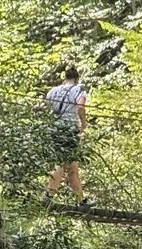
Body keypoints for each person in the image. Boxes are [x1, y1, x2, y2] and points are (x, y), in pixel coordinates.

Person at [43, 65, 93, 207]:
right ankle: (49, 195)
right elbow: (81, 107)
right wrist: (83, 124)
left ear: (65, 78)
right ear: (77, 78)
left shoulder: (54, 90)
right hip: (70, 130)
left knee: (72, 166)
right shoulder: (79, 89)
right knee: (62, 162)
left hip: (55, 128)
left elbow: (48, 107)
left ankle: (81, 200)